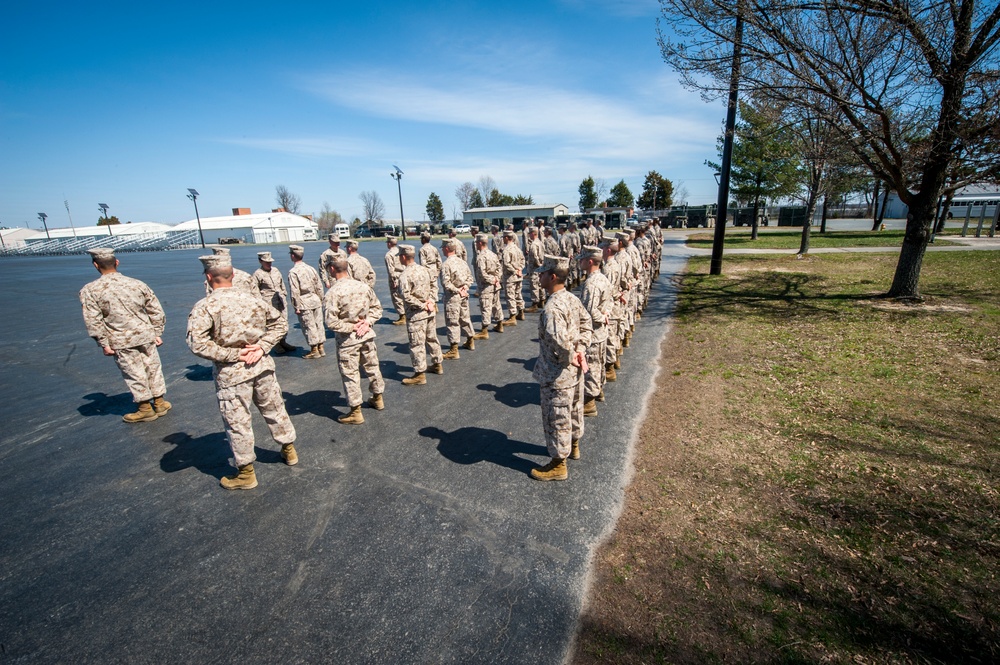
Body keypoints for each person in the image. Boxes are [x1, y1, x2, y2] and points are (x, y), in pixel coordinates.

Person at [187, 254, 298, 490]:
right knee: (275, 409)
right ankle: (288, 450)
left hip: (232, 374)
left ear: (208, 277)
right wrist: (262, 347)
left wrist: (233, 355)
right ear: (233, 275)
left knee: (238, 421)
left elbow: (197, 343)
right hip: (261, 365)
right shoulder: (253, 301)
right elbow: (280, 324)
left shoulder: (205, 306)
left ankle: (246, 473)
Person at [79, 247, 170, 423]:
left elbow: (93, 320)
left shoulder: (91, 290)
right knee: (153, 367)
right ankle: (160, 402)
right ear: (117, 263)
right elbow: (155, 310)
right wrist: (157, 332)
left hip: (120, 339)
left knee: (134, 372)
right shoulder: (137, 284)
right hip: (145, 334)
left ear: (96, 265)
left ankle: (145, 408)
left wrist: (103, 342)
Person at [530, 255, 592, 481]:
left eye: (543, 273)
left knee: (557, 418)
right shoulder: (571, 299)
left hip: (557, 375)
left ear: (552, 276)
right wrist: (581, 350)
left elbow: (559, 342)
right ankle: (573, 446)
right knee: (573, 411)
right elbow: (587, 324)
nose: (539, 276)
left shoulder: (552, 308)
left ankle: (558, 464)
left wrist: (571, 354)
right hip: (574, 371)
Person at [323, 257, 385, 425]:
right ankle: (377, 398)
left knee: (350, 374)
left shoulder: (332, 293)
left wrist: (353, 327)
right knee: (372, 368)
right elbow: (377, 309)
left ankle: (355, 412)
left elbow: (331, 322)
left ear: (332, 270)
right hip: (366, 336)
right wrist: (367, 322)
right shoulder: (363, 286)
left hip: (348, 341)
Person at [397, 244, 443, 385]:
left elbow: (405, 296)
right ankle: (437, 364)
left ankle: (419, 374)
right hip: (429, 311)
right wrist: (431, 300)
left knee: (417, 344)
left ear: (404, 257)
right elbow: (434, 285)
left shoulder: (405, 275)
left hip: (417, 314)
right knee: (431, 338)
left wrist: (422, 304)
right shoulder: (425, 270)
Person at [578, 246, 613, 416]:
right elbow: (609, 302)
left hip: (593, 332)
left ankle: (589, 402)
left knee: (591, 366)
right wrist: (606, 315)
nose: (580, 262)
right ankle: (598, 391)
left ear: (590, 261)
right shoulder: (602, 278)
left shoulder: (591, 284)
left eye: (582, 259)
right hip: (601, 332)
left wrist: (601, 317)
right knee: (598, 363)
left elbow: (589, 312)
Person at [252, 251, 296, 354]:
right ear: (260, 261)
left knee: (283, 321)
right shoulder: (257, 274)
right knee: (271, 324)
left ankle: (283, 341)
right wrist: (261, 303)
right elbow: (254, 290)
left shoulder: (275, 270)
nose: (269, 264)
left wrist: (284, 294)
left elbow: (281, 284)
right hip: (268, 303)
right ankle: (275, 344)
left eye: (270, 262)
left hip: (280, 300)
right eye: (266, 262)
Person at [440, 238, 476, 359]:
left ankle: (454, 349)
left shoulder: (446, 265)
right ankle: (470, 341)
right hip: (464, 295)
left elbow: (446, 283)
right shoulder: (462, 262)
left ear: (446, 249)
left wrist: (457, 290)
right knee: (465, 317)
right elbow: (470, 278)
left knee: (452, 322)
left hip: (453, 297)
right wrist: (464, 288)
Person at [287, 244, 325, 358]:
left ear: (293, 256)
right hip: (315, 299)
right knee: (318, 324)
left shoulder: (293, 272)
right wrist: (321, 299)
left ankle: (314, 350)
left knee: (309, 326)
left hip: (304, 301)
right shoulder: (311, 269)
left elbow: (295, 291)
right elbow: (319, 286)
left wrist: (296, 306)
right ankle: (321, 347)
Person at [473, 233, 503, 337]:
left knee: (486, 307)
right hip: (495, 285)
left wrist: (492, 280)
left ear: (480, 243)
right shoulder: (493, 254)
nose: (476, 244)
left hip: (486, 286)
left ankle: (484, 330)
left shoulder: (481, 256)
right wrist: (496, 279)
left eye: (477, 242)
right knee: (496, 305)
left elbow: (482, 274)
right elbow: (499, 268)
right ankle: (499, 324)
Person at [500, 229, 525, 325]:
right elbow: (523, 260)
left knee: (510, 296)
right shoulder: (517, 248)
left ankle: (512, 317)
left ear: (506, 238)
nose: (503, 239)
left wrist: (515, 271)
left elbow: (506, 264)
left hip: (510, 277)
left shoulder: (507, 250)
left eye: (503, 238)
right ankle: (521, 312)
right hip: (518, 276)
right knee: (518, 294)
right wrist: (520, 269)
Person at [384, 236, 406, 324]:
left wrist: (393, 280)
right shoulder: (400, 251)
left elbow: (391, 269)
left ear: (389, 243)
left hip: (396, 276)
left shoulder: (389, 255)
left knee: (396, 296)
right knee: (404, 294)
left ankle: (402, 316)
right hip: (404, 275)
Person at [523, 227, 545, 312]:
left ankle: (535, 304)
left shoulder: (533, 245)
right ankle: (542, 300)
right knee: (540, 284)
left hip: (534, 268)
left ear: (533, 233)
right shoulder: (540, 242)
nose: (529, 236)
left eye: (530, 234)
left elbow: (535, 257)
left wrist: (538, 265)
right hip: (540, 267)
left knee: (534, 285)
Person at [419, 231, 442, 301]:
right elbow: (439, 261)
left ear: (423, 239)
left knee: (427, 288)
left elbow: (423, 263)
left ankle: (431, 302)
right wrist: (438, 271)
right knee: (434, 286)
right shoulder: (434, 248)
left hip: (427, 270)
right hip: (434, 269)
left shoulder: (422, 250)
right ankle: (435, 300)